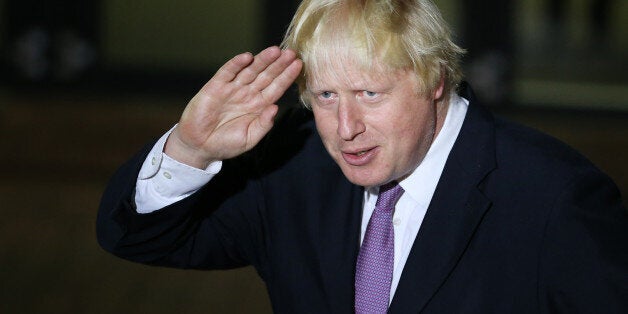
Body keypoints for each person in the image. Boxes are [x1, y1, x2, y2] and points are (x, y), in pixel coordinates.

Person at [97, 0, 628, 313]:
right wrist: (190, 150)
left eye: (370, 94)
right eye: (326, 96)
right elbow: (138, 237)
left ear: (434, 79)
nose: (345, 129)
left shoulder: (555, 199)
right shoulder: (290, 171)